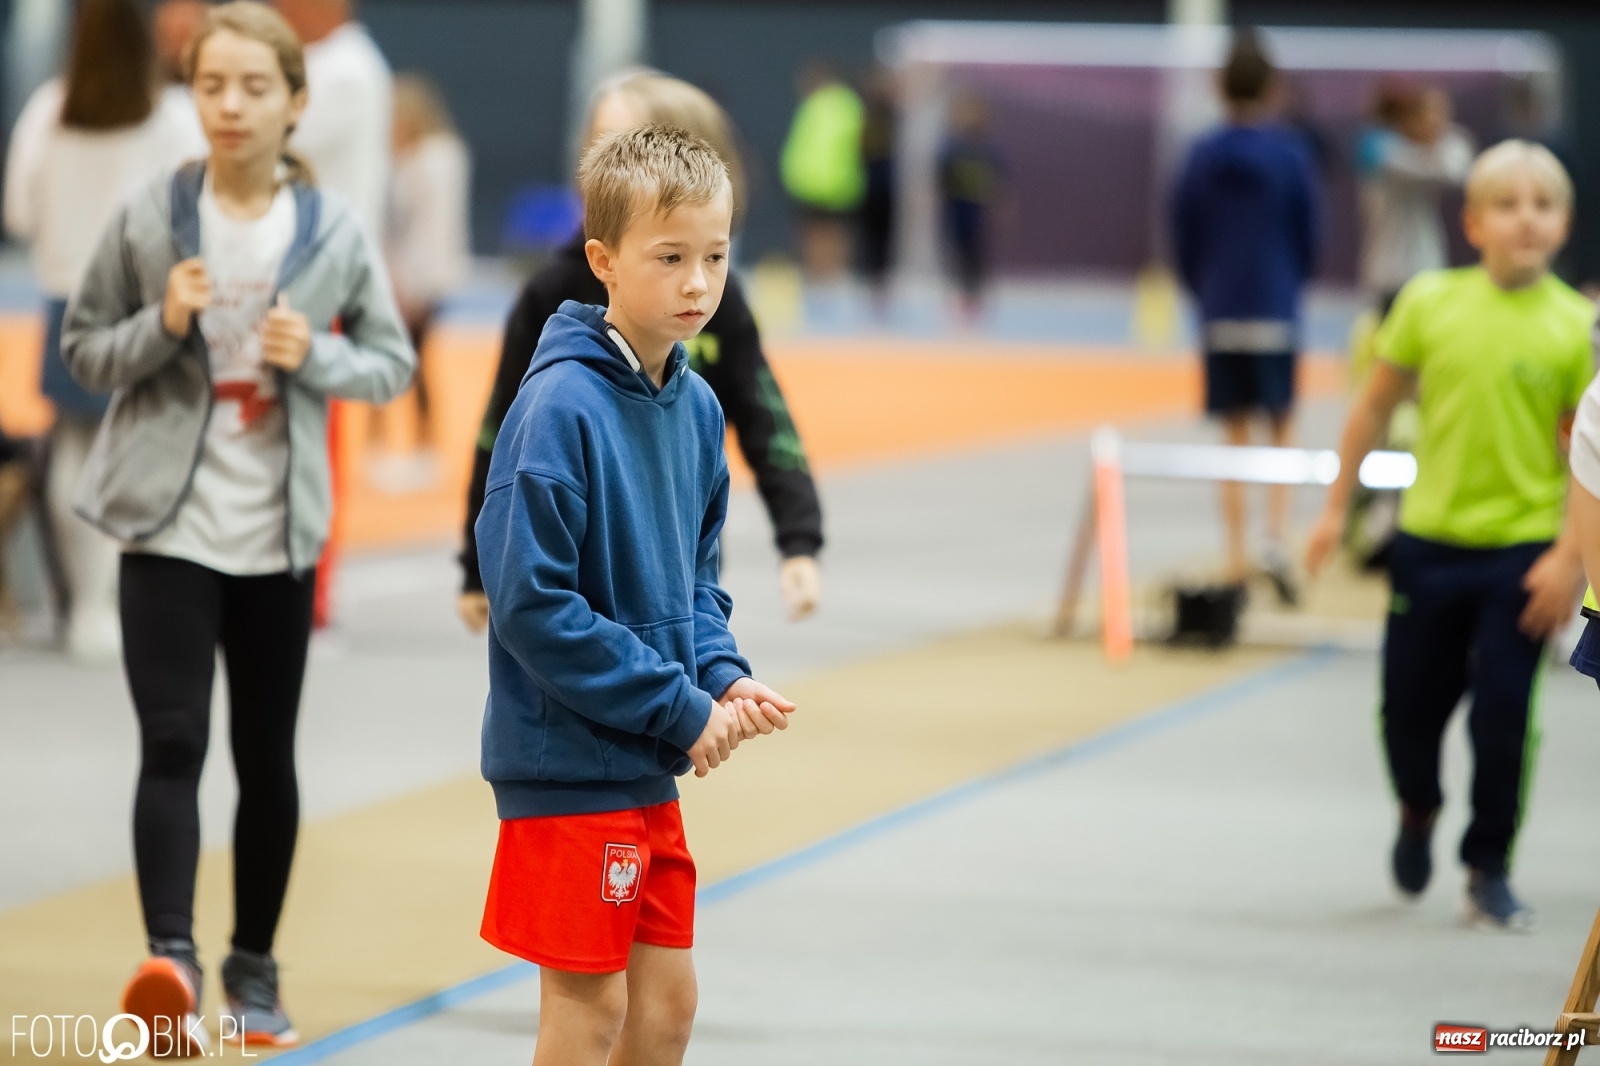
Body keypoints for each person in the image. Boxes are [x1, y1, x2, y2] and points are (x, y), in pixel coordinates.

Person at [62, 1, 413, 1048]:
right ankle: (167, 957)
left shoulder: (333, 232)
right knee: (171, 741)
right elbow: (83, 351)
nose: (230, 106)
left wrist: (323, 358)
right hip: (165, 528)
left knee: (268, 757)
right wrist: (159, 325)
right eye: (211, 85)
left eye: (255, 88)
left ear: (296, 104)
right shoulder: (151, 217)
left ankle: (251, 969)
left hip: (277, 538)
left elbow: (389, 361)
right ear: (190, 92)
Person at [476, 123, 794, 1066]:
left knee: (667, 1012)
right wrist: (678, 706)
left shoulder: (696, 409)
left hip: (646, 757)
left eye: (716, 257)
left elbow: (696, 580)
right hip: (568, 763)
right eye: (670, 258)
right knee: (591, 1014)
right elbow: (535, 607)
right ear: (603, 262)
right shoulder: (558, 410)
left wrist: (722, 676)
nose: (698, 284)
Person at [1305, 140, 1591, 930]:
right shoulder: (1429, 303)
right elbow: (1370, 407)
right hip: (1428, 546)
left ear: (1564, 223)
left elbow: (1591, 459)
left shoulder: (1577, 329)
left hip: (1522, 555)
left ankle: (1488, 865)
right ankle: (1418, 808)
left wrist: (1571, 558)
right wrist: (1336, 509)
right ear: (1471, 222)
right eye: (1507, 204)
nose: (1526, 219)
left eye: (1543, 205)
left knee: (1503, 716)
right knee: (1408, 712)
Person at [459, 70, 824, 635]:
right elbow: (500, 427)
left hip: (676, 574)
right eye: (595, 142)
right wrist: (474, 566)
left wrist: (799, 539)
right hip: (578, 579)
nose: (599, 160)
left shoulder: (711, 309)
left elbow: (764, 417)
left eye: (623, 141)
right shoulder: (551, 294)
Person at [3, 0, 206, 660]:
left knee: (73, 452)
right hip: (146, 303)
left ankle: (87, 606)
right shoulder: (170, 119)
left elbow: (19, 210)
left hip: (72, 300)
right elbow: (196, 212)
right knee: (144, 458)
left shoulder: (48, 110)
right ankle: (122, 603)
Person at [1172, 29, 1318, 601]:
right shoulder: (1290, 154)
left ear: (1218, 85)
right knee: (1280, 428)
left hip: (1221, 309)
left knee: (1233, 435)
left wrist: (1203, 290)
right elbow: (1309, 232)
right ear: (1273, 87)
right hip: (1276, 306)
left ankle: (1235, 557)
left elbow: (1183, 232)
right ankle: (1274, 541)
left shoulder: (1201, 154)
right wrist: (1289, 284)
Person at [386, 72, 471, 446]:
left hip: (420, 277)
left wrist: (411, 284)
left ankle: (420, 441)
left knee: (410, 358)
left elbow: (426, 229)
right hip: (415, 274)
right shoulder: (431, 158)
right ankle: (403, 439)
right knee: (405, 356)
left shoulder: (430, 161)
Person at [274, 0, 392, 242]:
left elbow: (278, 143)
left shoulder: (346, 70)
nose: (277, 13)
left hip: (331, 245)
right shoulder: (328, 61)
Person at [1358, 80, 1474, 314]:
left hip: (1424, 272)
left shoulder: (1407, 152)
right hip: (1392, 276)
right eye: (1426, 115)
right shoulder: (1384, 153)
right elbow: (1451, 169)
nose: (1434, 123)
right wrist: (1442, 134)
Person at [780, 60, 864, 283]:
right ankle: (824, 278)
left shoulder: (829, 104)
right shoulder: (845, 104)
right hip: (827, 182)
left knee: (824, 234)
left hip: (824, 182)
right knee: (824, 233)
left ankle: (824, 278)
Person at [939, 90, 1005, 324]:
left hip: (976, 214)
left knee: (975, 258)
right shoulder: (952, 148)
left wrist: (1003, 204)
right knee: (955, 257)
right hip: (955, 213)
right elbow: (940, 181)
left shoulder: (987, 151)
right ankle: (958, 299)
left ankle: (974, 300)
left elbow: (1000, 181)